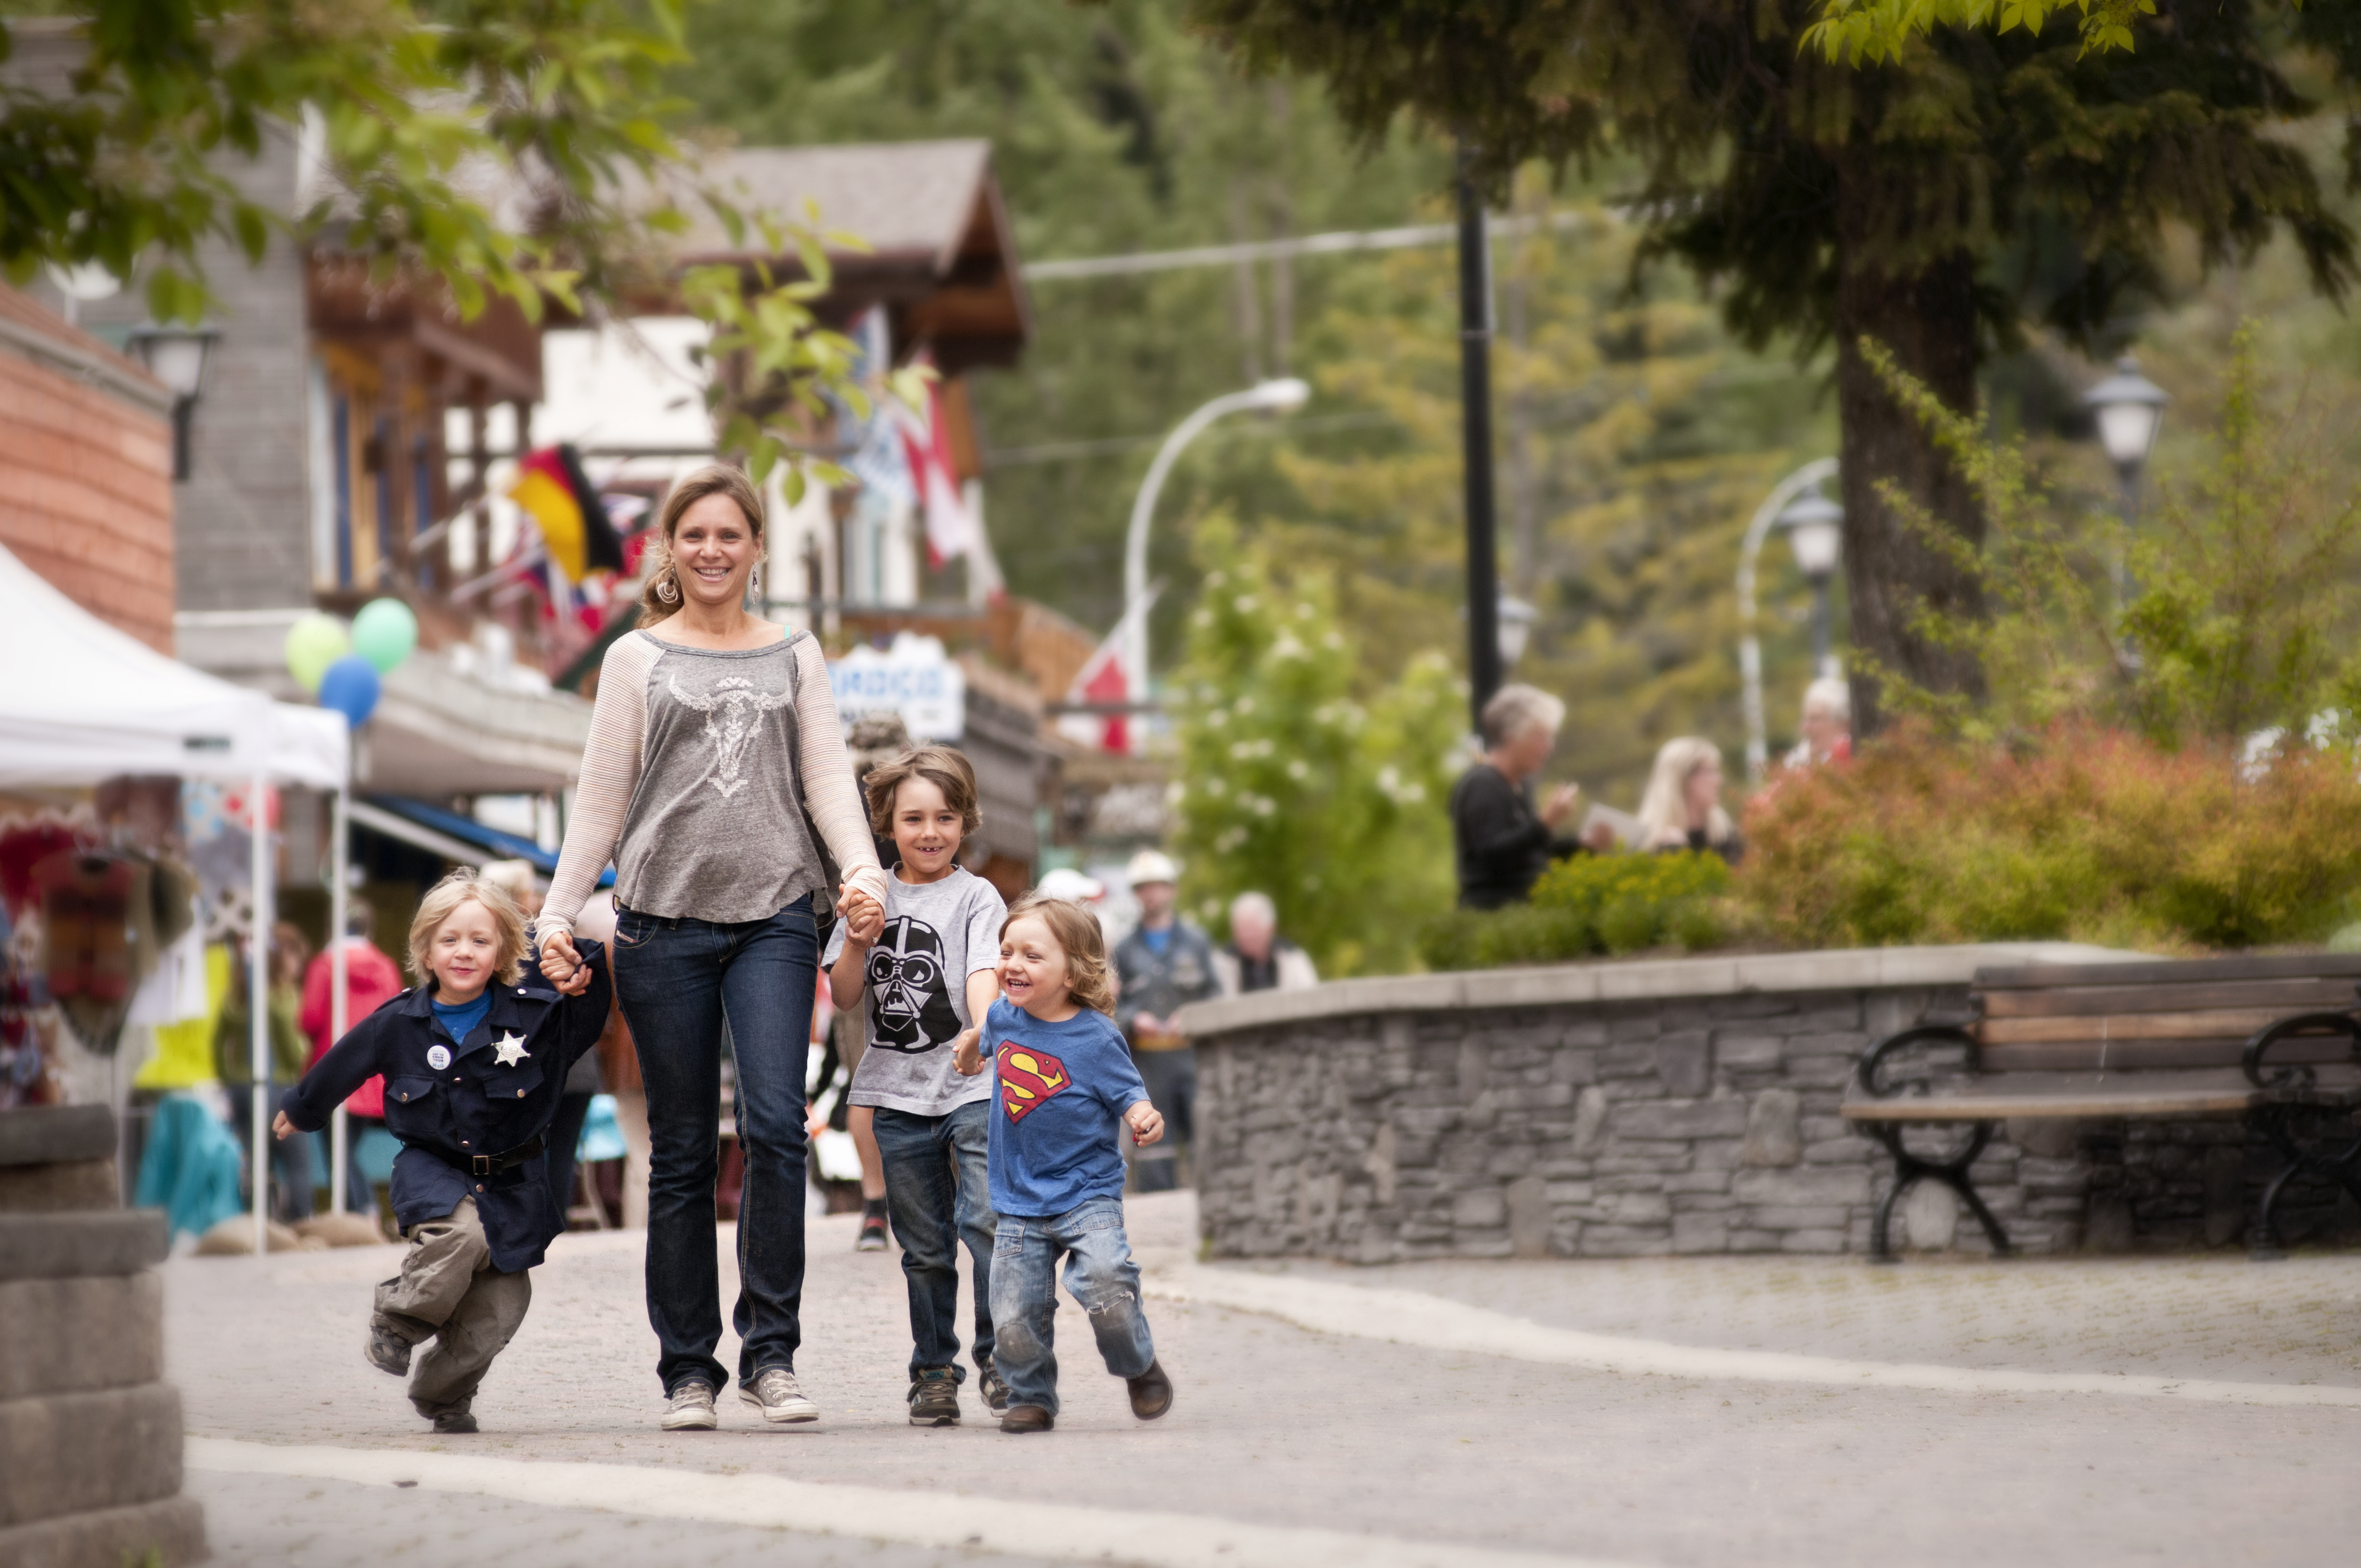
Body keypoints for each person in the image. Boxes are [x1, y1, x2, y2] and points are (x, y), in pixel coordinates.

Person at [535, 463, 888, 1434]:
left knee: (776, 1125)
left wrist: (862, 874)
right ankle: (688, 1367)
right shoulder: (633, 659)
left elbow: (827, 780)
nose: (711, 550)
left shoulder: (795, 654)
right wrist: (557, 914)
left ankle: (771, 1352)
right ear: (669, 548)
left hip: (776, 914)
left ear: (756, 548)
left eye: (729, 534)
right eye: (694, 535)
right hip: (660, 923)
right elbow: (599, 801)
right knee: (683, 1151)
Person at [273, 868, 607, 1434]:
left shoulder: (535, 1014)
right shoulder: (400, 1020)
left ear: (504, 949)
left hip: (513, 1179)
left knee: (501, 1307)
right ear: (425, 949)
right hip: (434, 1170)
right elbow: (345, 1059)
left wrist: (576, 969)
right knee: (462, 1236)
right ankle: (398, 1321)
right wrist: (304, 1107)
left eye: (480, 940)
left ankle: (443, 1392)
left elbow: (589, 1004)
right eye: (449, 939)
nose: (464, 952)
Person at [826, 745, 1009, 1427]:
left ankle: (1000, 1359)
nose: (930, 831)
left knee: (985, 1221)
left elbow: (981, 971)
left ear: (965, 822)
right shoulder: (868, 891)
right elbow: (845, 996)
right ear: (886, 823)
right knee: (925, 1247)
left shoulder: (976, 896)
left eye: (946, 816)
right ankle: (934, 1370)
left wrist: (983, 1032)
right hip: (897, 1100)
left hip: (970, 1086)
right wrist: (853, 939)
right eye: (913, 818)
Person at [951, 893, 1173, 1434]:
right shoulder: (1005, 1014)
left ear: (1072, 970)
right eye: (1007, 951)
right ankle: (1030, 1394)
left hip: (1085, 1194)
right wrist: (970, 1046)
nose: (1012, 964)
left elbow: (1130, 1096)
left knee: (1108, 1286)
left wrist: (1145, 1117)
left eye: (1031, 955)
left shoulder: (1097, 1037)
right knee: (1012, 1315)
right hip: (1017, 1199)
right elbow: (988, 1036)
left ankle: (1138, 1363)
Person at [1450, 683, 1611, 908]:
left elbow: (1531, 856)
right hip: (1494, 917)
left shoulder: (1519, 785)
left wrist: (1582, 843)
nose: (1549, 747)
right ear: (1512, 736)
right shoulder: (1482, 785)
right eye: (1541, 737)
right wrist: (1545, 823)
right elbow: (1493, 858)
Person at [1109, 850, 1215, 1193]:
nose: (1150, 894)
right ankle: (1159, 1217)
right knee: (1154, 1145)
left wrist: (1192, 1016)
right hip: (1147, 1065)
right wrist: (1132, 1018)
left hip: (1192, 1059)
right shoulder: (1124, 949)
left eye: (1157, 886)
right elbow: (1113, 1003)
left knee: (1204, 1138)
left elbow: (1216, 993)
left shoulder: (1196, 943)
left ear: (1172, 890)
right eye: (1142, 888)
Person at [297, 901, 406, 1216]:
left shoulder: (325, 965)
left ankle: (362, 1210)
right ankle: (363, 1210)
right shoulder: (385, 966)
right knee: (345, 1150)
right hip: (372, 1073)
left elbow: (310, 1020)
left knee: (337, 1152)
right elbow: (397, 1016)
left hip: (332, 1070)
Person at [217, 924, 314, 1222]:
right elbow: (290, 1045)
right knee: (297, 1163)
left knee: (257, 1162)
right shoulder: (282, 996)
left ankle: (258, 1222)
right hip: (281, 1085)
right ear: (282, 956)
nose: (299, 966)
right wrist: (304, 1064)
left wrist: (230, 1078)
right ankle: (297, 1224)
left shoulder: (237, 996)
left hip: (243, 1087)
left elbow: (219, 1044)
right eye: (296, 957)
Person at [1638, 736, 1743, 863]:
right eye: (1711, 771)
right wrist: (1673, 851)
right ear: (1683, 778)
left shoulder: (1726, 839)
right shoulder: (1650, 846)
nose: (1719, 781)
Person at [1212, 891, 1319, 996]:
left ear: (1270, 928)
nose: (1246, 936)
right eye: (1241, 929)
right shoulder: (1221, 963)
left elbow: (1311, 996)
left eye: (1252, 929)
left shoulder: (1293, 959)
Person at [1785, 677, 1853, 770]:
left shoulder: (1855, 762)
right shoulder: (1798, 762)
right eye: (1805, 719)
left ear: (1843, 724)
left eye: (1815, 719)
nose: (1805, 728)